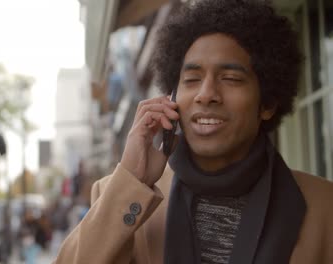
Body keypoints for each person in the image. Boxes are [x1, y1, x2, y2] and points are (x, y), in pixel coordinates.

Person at [54, 1, 333, 263]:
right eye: (191, 79)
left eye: (231, 78)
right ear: (172, 97)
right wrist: (132, 176)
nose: (206, 94)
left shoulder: (324, 207)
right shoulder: (122, 198)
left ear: (268, 103)